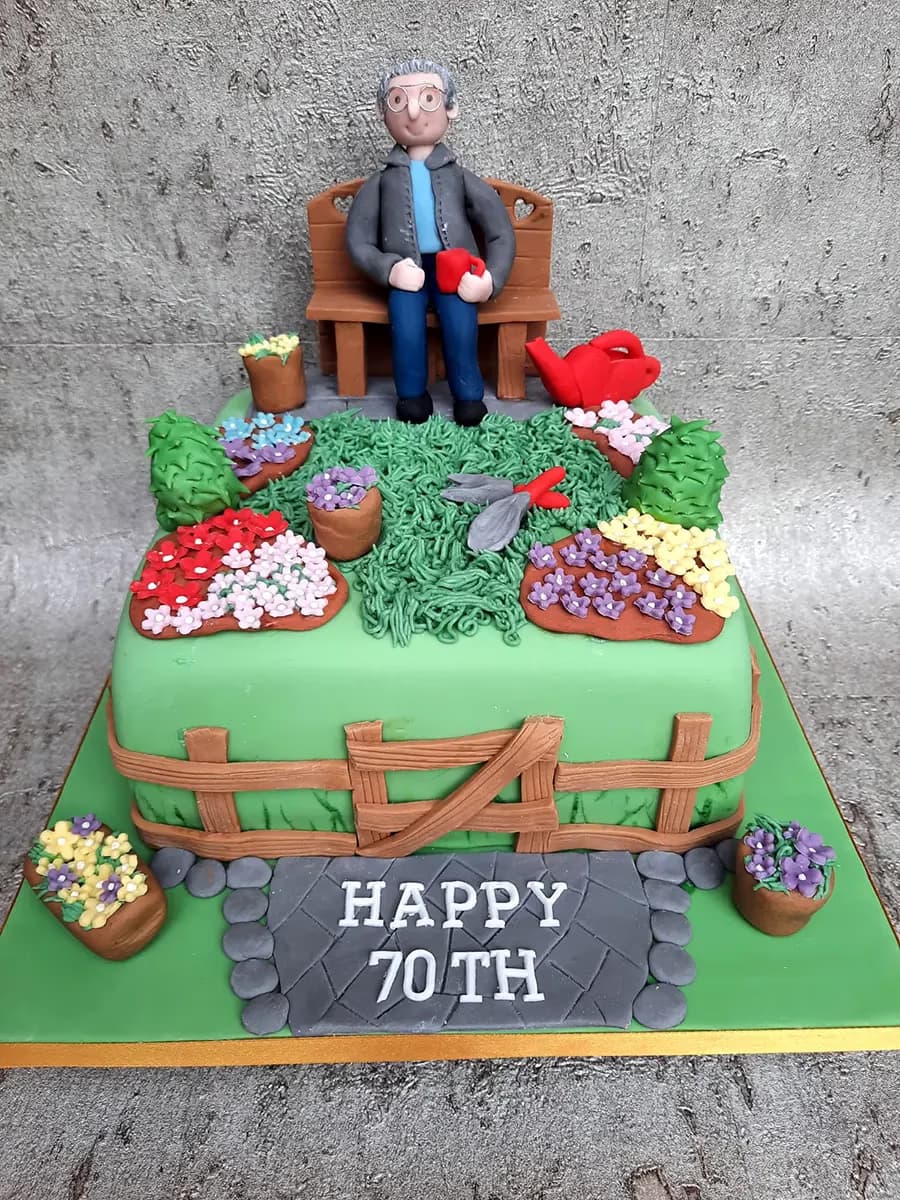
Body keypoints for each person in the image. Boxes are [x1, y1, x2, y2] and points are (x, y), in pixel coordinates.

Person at [345, 57, 516, 426]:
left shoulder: (461, 177)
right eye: (397, 101)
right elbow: (358, 241)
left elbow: (500, 231)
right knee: (405, 329)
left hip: (454, 271)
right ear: (382, 112)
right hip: (407, 270)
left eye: (427, 99)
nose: (411, 112)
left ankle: (469, 397)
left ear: (450, 108)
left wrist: (489, 280)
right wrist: (389, 269)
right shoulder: (380, 183)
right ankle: (410, 396)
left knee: (460, 327)